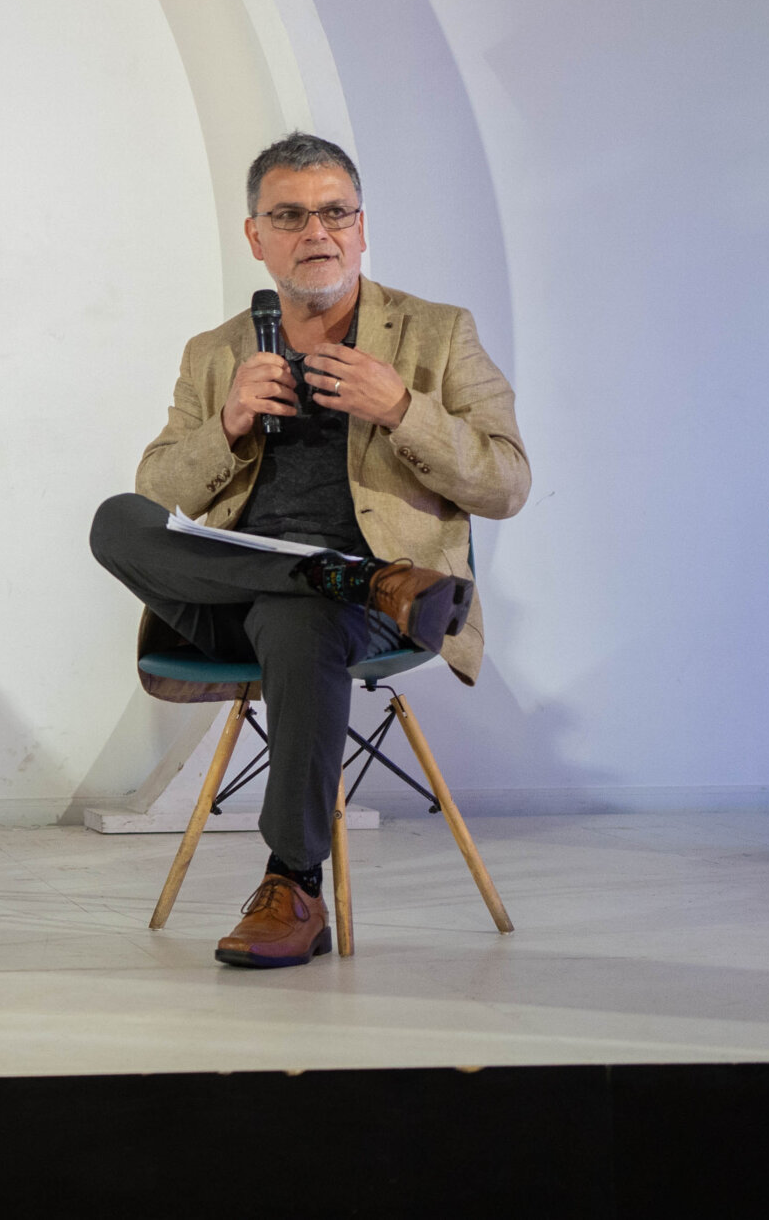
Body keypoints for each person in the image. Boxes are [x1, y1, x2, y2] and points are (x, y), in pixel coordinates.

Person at [91, 132, 528, 968]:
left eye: (334, 212)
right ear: (255, 236)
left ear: (362, 227)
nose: (316, 232)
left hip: (362, 621)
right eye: (289, 216)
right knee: (115, 518)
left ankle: (292, 883)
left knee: (302, 619)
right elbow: (158, 490)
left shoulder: (437, 333)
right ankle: (347, 578)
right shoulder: (217, 352)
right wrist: (227, 423)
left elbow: (507, 482)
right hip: (240, 600)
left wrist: (403, 409)